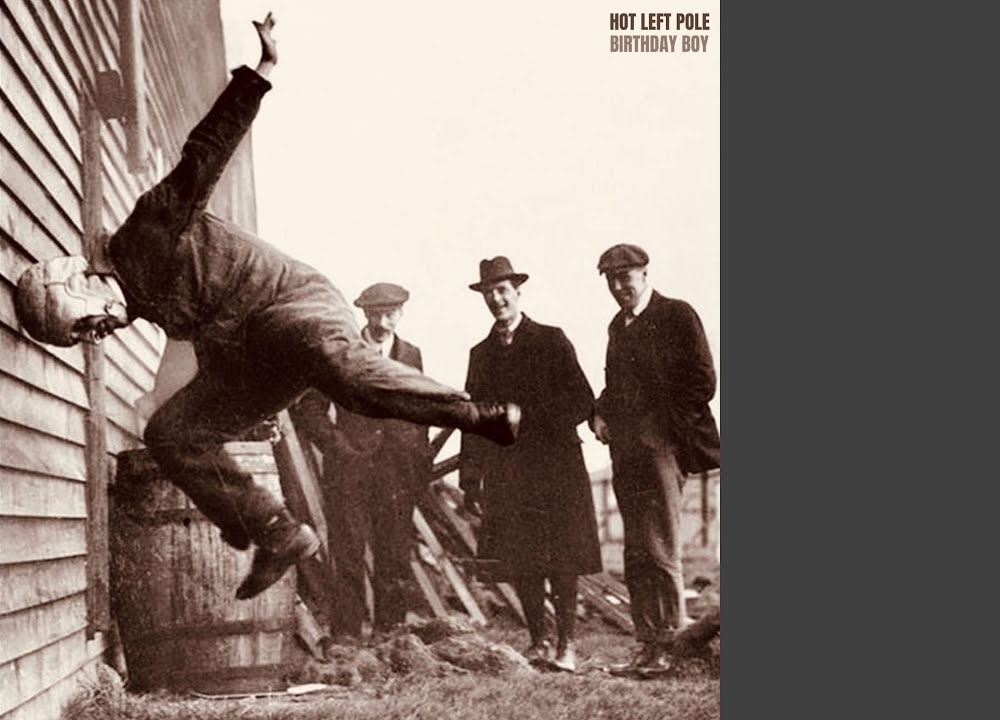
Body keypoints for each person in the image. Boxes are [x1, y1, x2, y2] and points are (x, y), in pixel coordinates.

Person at [12, 14, 521, 602]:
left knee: (340, 374)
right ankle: (277, 532)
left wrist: (260, 72)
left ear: (81, 284)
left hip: (292, 303)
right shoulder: (140, 298)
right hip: (250, 348)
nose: (97, 334)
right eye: (86, 338)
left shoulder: (146, 231)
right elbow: (202, 327)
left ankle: (477, 414)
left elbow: (205, 151)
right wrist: (239, 414)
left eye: (85, 324)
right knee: (170, 432)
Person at [458, 257, 602, 673]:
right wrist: (471, 479)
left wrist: (527, 417)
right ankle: (539, 640)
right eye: (488, 293)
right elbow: (472, 419)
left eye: (502, 290)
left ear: (518, 292)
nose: (496, 299)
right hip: (507, 470)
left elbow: (582, 400)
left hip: (555, 466)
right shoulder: (481, 354)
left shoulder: (550, 340)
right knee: (521, 557)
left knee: (561, 556)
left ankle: (567, 645)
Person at [589, 243, 720, 679]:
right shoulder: (617, 326)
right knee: (636, 549)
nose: (618, 286)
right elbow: (614, 385)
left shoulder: (676, 315)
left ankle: (670, 644)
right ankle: (646, 644)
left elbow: (703, 380)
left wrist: (664, 430)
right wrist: (600, 413)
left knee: (660, 544)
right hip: (625, 451)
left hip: (661, 448)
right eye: (611, 280)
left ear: (645, 274)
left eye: (625, 277)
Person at [291, 283, 431, 636]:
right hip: (349, 470)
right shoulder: (341, 353)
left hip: (396, 471)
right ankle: (347, 639)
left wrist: (417, 458)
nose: (382, 323)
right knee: (349, 553)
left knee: (394, 555)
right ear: (364, 314)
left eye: (390, 314)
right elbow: (310, 409)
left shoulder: (411, 354)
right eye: (375, 315)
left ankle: (391, 637)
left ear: (401, 313)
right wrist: (339, 448)